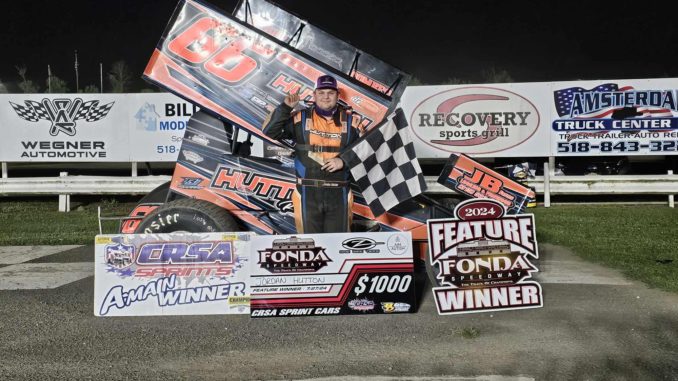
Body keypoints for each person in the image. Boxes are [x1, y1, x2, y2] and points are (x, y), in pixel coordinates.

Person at [263, 74, 360, 233]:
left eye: (330, 93)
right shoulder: (299, 118)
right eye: (321, 93)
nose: (326, 97)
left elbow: (365, 150)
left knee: (338, 245)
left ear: (338, 95)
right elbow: (270, 131)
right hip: (307, 193)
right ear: (314, 95)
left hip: (340, 193)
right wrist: (286, 108)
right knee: (310, 246)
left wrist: (343, 160)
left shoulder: (352, 121)